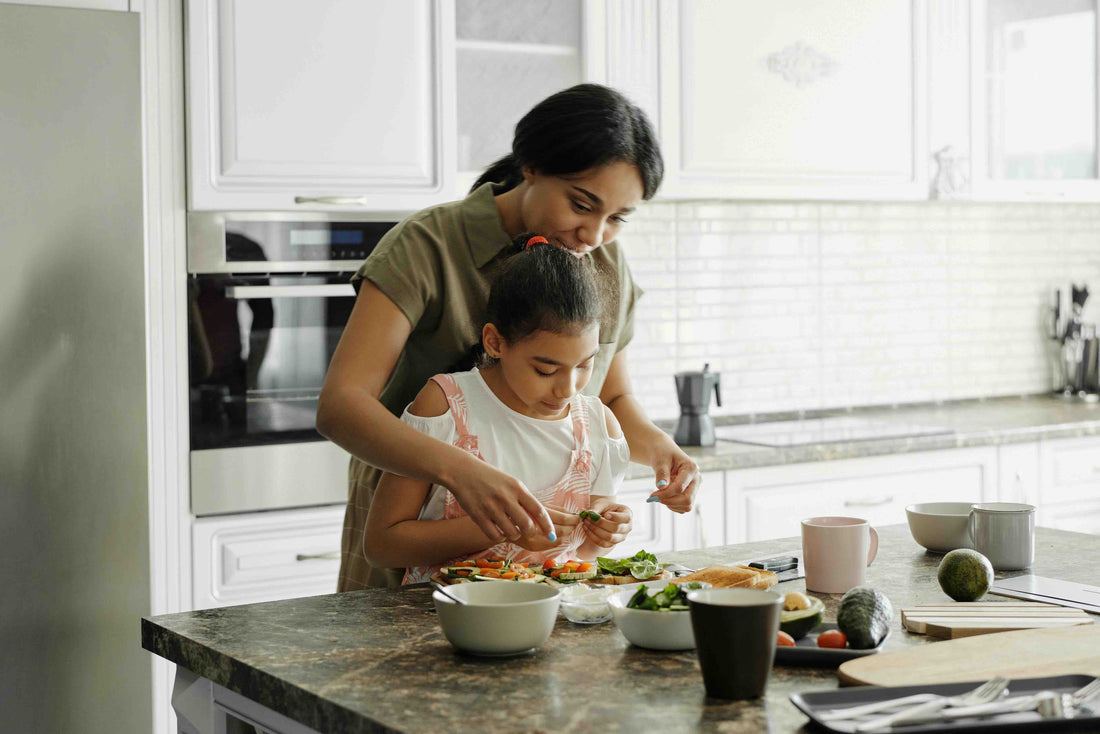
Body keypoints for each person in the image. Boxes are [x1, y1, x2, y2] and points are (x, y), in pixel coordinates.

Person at [317, 83, 701, 591]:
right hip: (413, 525)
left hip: (538, 570)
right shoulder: (426, 245)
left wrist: (659, 450)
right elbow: (341, 405)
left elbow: (610, 395)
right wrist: (461, 472)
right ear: (532, 167)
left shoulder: (603, 260)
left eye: (617, 219)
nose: (595, 234)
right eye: (581, 204)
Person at [364, 237, 632, 582]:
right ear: (495, 342)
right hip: (442, 621)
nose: (568, 388)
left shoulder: (598, 426)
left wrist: (605, 533)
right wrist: (500, 528)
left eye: (585, 365)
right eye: (546, 370)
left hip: (553, 623)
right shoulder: (445, 406)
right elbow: (382, 545)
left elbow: (583, 556)